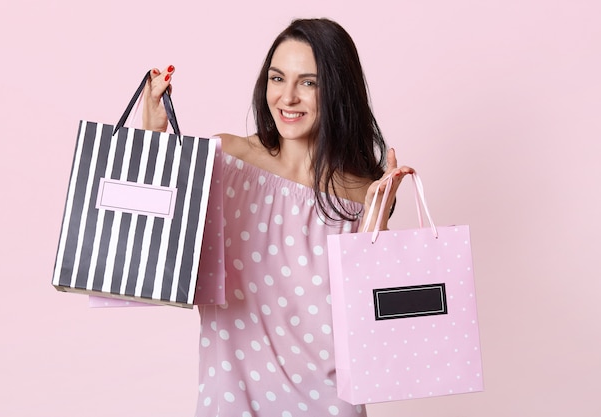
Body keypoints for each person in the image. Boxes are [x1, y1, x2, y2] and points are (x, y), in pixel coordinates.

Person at [143, 18, 413, 417]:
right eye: (277, 78)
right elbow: (164, 251)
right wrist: (153, 139)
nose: (287, 97)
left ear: (338, 91)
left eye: (308, 82)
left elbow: (372, 328)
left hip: (330, 404)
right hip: (231, 402)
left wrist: (376, 224)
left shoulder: (362, 192)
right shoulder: (225, 160)